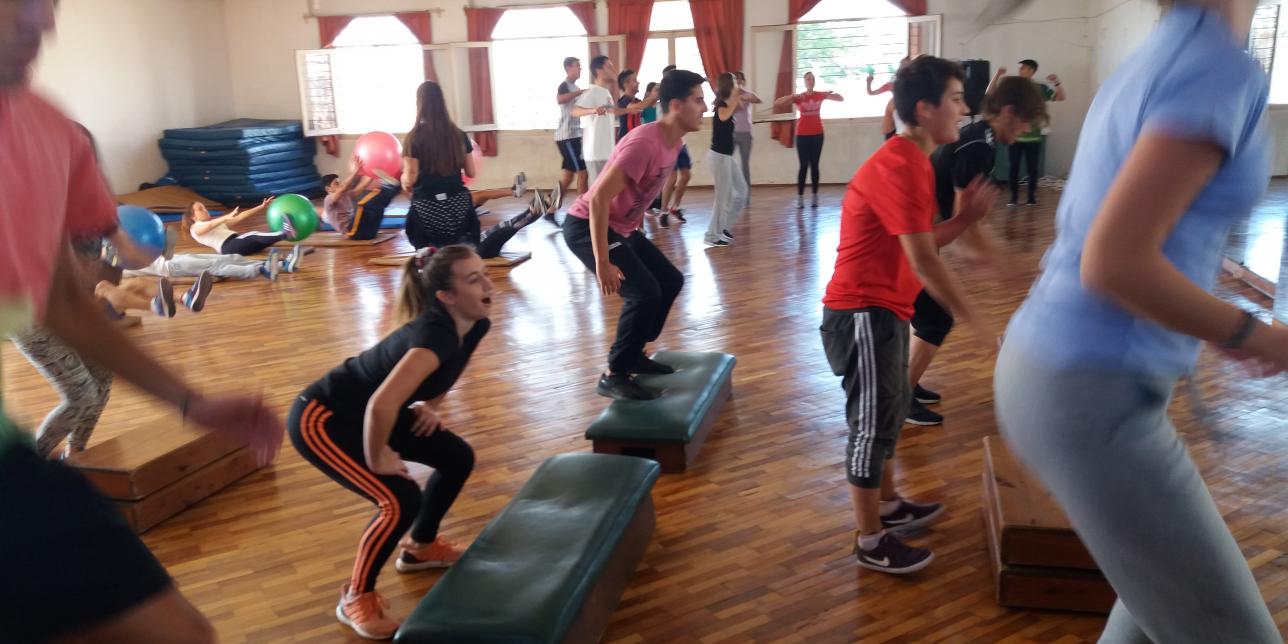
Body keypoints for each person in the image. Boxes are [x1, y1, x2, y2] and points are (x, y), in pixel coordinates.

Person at [996, 2, 1283, 641]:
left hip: (1060, 376)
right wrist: (1256, 335)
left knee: (1149, 610)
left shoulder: (1161, 57)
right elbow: (1115, 261)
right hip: (1087, 396)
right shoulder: (1215, 69)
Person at [0, 3, 282, 641]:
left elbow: (63, 302)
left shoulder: (49, 134)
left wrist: (192, 400)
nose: (38, 21)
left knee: (177, 632)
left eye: (46, 4)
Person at [819, 56, 999, 575]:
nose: (965, 110)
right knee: (871, 428)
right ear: (925, 109)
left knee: (890, 415)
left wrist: (964, 219)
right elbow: (922, 260)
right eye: (956, 99)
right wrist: (977, 321)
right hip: (860, 313)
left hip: (883, 310)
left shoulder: (914, 159)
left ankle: (891, 506)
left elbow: (920, 243)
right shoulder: (899, 163)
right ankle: (869, 538)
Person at [288, 244, 490, 639]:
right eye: (473, 279)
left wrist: (431, 405)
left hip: (372, 412)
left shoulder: (475, 324)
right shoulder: (435, 336)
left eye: (483, 273)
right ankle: (356, 596)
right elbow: (380, 405)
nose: (487, 283)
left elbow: (442, 376)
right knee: (398, 499)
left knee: (456, 457)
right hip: (324, 418)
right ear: (446, 296)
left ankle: (421, 547)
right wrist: (378, 455)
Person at [905, 76, 1047, 427]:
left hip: (923, 235)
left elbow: (969, 223)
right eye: (1026, 121)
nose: (1026, 129)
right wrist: (1004, 264)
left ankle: (906, 384)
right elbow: (963, 221)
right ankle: (899, 398)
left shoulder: (980, 139)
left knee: (930, 318)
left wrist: (995, 259)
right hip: (911, 240)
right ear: (1009, 112)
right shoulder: (980, 149)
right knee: (936, 318)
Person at [562, 69, 706, 401]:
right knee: (644, 293)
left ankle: (635, 352)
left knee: (669, 281)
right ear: (675, 105)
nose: (704, 108)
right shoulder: (645, 142)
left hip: (621, 227)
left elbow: (642, 191)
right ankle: (615, 373)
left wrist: (634, 224)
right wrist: (603, 262)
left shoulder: (674, 141)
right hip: (587, 226)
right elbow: (598, 198)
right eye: (698, 100)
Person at [402, 81, 550, 258]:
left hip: (427, 211)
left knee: (418, 220)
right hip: (458, 208)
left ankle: (427, 250)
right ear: (442, 102)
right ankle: (524, 214)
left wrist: (403, 180)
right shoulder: (458, 134)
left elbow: (410, 178)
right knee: (472, 232)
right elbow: (471, 172)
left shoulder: (414, 137)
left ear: (419, 103)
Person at [989, 59, 1066, 206]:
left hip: (1034, 137)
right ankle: (1013, 198)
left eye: (1024, 68)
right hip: (1015, 137)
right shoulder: (1013, 88)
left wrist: (1057, 82)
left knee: (1032, 169)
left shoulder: (1039, 88)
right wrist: (997, 75)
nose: (1020, 70)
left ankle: (1031, 197)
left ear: (1032, 71)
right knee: (1013, 168)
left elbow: (1061, 97)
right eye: (1020, 68)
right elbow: (990, 92)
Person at [774, 72, 843, 209]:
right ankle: (800, 198)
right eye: (808, 79)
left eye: (812, 79)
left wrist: (830, 94)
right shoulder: (800, 97)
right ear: (804, 82)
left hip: (818, 134)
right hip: (802, 135)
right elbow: (778, 104)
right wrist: (793, 96)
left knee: (815, 166)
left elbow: (841, 99)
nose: (810, 81)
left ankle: (815, 196)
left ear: (814, 81)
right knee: (803, 166)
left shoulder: (819, 94)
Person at [704, 73, 749, 248]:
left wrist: (739, 95)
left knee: (741, 192)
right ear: (728, 86)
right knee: (723, 198)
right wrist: (737, 96)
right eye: (734, 81)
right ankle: (711, 235)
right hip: (719, 156)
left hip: (727, 157)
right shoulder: (721, 106)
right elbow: (724, 116)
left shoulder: (729, 104)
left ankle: (723, 228)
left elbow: (751, 99)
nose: (737, 84)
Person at [322, 156, 402, 240]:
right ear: (328, 189)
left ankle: (396, 186)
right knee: (363, 205)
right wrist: (355, 171)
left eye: (339, 182)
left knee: (378, 207)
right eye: (336, 183)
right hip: (352, 232)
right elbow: (344, 188)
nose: (340, 184)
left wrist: (372, 173)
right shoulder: (328, 200)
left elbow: (362, 186)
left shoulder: (346, 195)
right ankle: (389, 186)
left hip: (369, 232)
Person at [572, 55, 622, 187]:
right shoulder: (592, 92)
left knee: (605, 192)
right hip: (596, 152)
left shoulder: (605, 93)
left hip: (606, 151)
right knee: (597, 192)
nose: (613, 70)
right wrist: (593, 110)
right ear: (599, 71)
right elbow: (575, 111)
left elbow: (611, 113)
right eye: (609, 66)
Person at [657, 65, 691, 229]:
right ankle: (663, 211)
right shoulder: (663, 100)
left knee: (686, 175)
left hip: (681, 143)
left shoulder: (682, 97)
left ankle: (675, 207)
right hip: (669, 143)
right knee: (671, 177)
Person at [555, 56, 587, 215]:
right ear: (568, 68)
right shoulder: (565, 85)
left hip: (574, 135)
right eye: (578, 66)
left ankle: (551, 207)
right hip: (567, 137)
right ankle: (583, 211)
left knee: (568, 176)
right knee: (583, 172)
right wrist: (580, 92)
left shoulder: (575, 87)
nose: (580, 69)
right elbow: (560, 99)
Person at [731, 71, 761, 196]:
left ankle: (746, 195)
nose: (739, 81)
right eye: (736, 79)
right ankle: (732, 193)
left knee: (745, 166)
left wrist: (743, 97)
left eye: (741, 79)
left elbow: (758, 100)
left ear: (744, 81)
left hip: (746, 134)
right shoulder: (730, 95)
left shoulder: (748, 94)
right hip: (731, 134)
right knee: (729, 164)